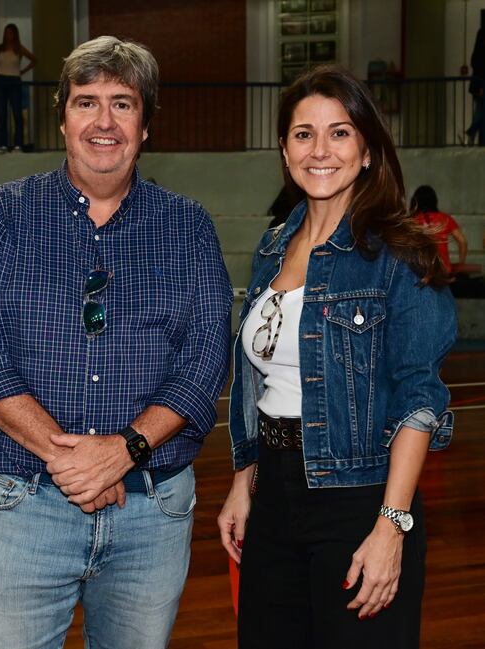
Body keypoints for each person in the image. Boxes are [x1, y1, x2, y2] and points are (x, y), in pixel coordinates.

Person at [0, 35, 232, 649]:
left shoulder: (188, 225)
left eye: (123, 104)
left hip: (151, 516)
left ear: (146, 124)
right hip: (24, 505)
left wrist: (125, 449)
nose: (104, 121)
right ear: (62, 118)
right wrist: (74, 461)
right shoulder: (4, 215)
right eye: (86, 102)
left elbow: (208, 357)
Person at [217, 65, 456, 649]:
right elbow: (262, 375)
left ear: (368, 148)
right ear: (284, 148)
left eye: (340, 132)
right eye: (304, 134)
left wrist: (390, 526)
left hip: (360, 500)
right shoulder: (274, 247)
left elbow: (419, 398)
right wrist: (244, 479)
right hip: (272, 495)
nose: (320, 150)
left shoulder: (400, 255)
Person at [0, 23, 36, 152]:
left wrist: (22, 71)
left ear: (15, 34)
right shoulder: (0, 48)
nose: (8, 35)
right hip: (0, 80)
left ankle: (18, 144)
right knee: (2, 113)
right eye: (6, 32)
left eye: (11, 33)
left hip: (14, 80)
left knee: (16, 112)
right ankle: (3, 144)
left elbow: (34, 60)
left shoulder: (19, 48)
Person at [410, 185, 467, 274]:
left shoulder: (412, 221)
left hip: (421, 271)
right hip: (443, 271)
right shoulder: (446, 218)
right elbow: (462, 241)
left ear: (416, 201)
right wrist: (461, 264)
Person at [465, 27, 484, 146]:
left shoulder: (481, 35)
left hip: (479, 83)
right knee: (481, 111)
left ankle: (471, 134)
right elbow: (478, 63)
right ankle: (470, 133)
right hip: (481, 83)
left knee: (480, 110)